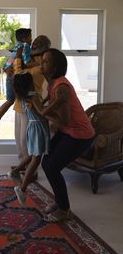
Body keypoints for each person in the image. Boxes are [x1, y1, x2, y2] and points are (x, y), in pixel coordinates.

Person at [33, 48, 96, 222]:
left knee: (52, 166)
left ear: (54, 68)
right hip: (69, 131)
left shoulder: (61, 86)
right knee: (47, 162)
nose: (41, 63)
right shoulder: (53, 83)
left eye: (45, 61)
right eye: (42, 59)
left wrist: (41, 111)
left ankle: (64, 210)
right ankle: (60, 202)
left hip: (80, 135)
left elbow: (65, 121)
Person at [0, 28, 39, 136]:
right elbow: (27, 62)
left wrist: (6, 68)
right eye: (30, 37)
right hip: (15, 76)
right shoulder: (25, 46)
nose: (31, 39)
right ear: (24, 38)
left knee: (10, 100)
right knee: (19, 98)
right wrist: (38, 64)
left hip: (9, 75)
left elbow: (8, 62)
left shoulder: (17, 47)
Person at [8, 72, 50, 206]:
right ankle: (22, 188)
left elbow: (37, 108)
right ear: (30, 84)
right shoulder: (34, 96)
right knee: (36, 158)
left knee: (33, 154)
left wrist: (45, 99)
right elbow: (42, 111)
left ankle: (15, 171)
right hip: (38, 128)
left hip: (32, 127)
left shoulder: (24, 98)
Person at [13, 35, 51, 163]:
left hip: (30, 105)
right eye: (34, 41)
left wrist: (18, 58)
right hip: (19, 103)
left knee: (25, 140)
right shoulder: (28, 59)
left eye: (39, 42)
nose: (34, 43)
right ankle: (22, 165)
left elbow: (19, 76)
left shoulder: (42, 65)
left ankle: (31, 171)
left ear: (46, 47)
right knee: (18, 138)